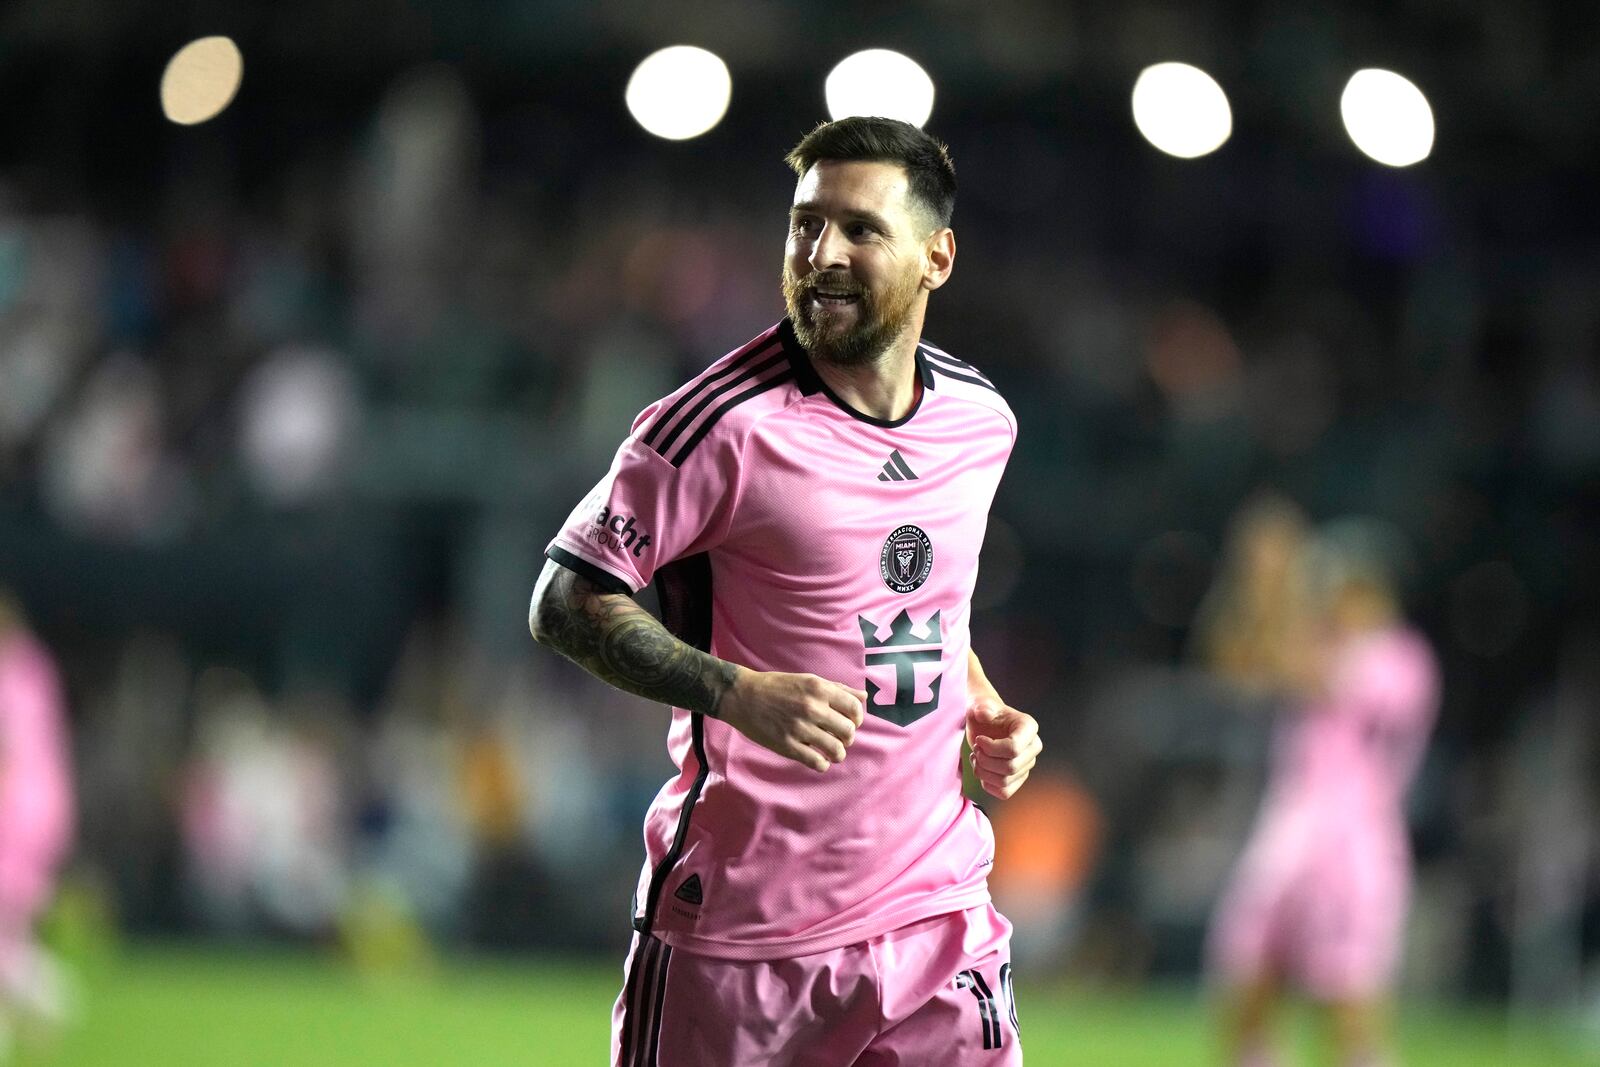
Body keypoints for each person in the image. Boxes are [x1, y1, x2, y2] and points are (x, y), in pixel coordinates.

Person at [529, 116, 1042, 1066]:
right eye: (806, 225)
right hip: (741, 938)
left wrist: (981, 702)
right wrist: (735, 692)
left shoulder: (981, 421)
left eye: (860, 229)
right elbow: (563, 600)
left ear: (938, 257)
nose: (822, 254)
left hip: (937, 916)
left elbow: (926, 601)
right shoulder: (716, 425)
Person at [1203, 519, 1439, 1067]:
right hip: (1291, 828)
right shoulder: (1328, 643)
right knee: (1247, 979)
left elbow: (1311, 675)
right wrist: (1252, 590)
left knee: (1349, 1001)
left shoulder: (1399, 656)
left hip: (1355, 841)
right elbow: (1237, 664)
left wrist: (1272, 589)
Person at [0, 594, 76, 1056]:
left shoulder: (9, 676)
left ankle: (47, 994)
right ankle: (43, 996)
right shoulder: (36, 668)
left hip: (14, 809)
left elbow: (8, 752)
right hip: (49, 806)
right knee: (12, 928)